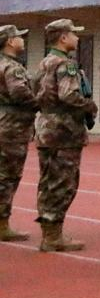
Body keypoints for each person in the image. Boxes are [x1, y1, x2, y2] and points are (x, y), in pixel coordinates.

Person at [33, 19, 96, 252]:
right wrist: (89, 106)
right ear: (63, 38)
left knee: (48, 181)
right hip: (64, 132)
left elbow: (35, 92)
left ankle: (49, 231)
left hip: (46, 128)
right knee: (63, 182)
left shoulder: (44, 63)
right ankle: (53, 235)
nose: (77, 38)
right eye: (73, 34)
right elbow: (68, 95)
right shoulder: (65, 64)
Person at [0, 25, 36, 242]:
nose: (23, 40)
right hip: (12, 127)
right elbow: (19, 92)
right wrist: (38, 102)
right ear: (10, 42)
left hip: (5, 123)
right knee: (8, 175)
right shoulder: (12, 67)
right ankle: (2, 224)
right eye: (19, 37)